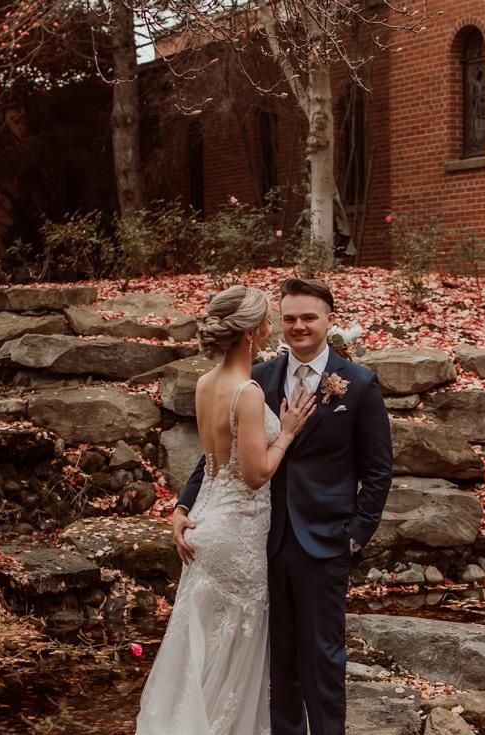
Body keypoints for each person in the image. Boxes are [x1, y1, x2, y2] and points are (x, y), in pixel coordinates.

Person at [173, 278, 393, 735]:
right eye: (289, 317)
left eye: (309, 317)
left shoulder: (359, 385)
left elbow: (377, 471)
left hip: (325, 542)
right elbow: (220, 453)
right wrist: (184, 503)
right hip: (261, 540)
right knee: (277, 663)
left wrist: (354, 537)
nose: (298, 326)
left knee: (324, 658)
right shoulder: (259, 377)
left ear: (329, 321)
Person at [135, 284, 316, 735]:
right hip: (238, 534)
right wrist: (287, 432)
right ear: (251, 332)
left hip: (206, 521)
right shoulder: (247, 392)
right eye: (267, 320)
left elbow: (214, 461)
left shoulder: (204, 384)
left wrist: (181, 506)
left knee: (202, 651)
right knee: (235, 651)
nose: (272, 327)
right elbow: (256, 474)